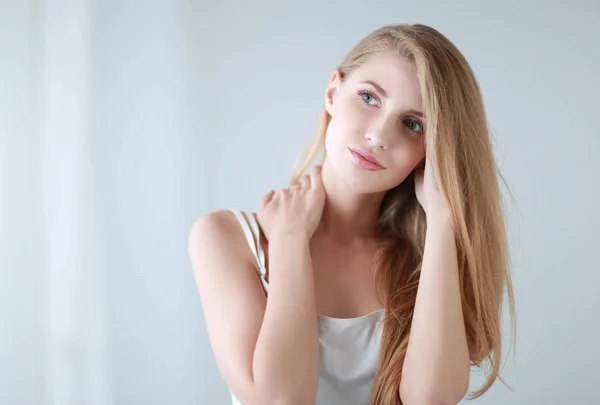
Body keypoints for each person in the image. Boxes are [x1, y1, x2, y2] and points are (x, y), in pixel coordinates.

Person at [189, 23, 516, 405]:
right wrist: (290, 240)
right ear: (333, 91)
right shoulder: (226, 237)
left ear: (432, 150)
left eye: (412, 124)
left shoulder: (425, 258)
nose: (378, 135)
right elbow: (280, 399)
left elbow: (429, 399)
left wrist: (444, 220)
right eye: (369, 98)